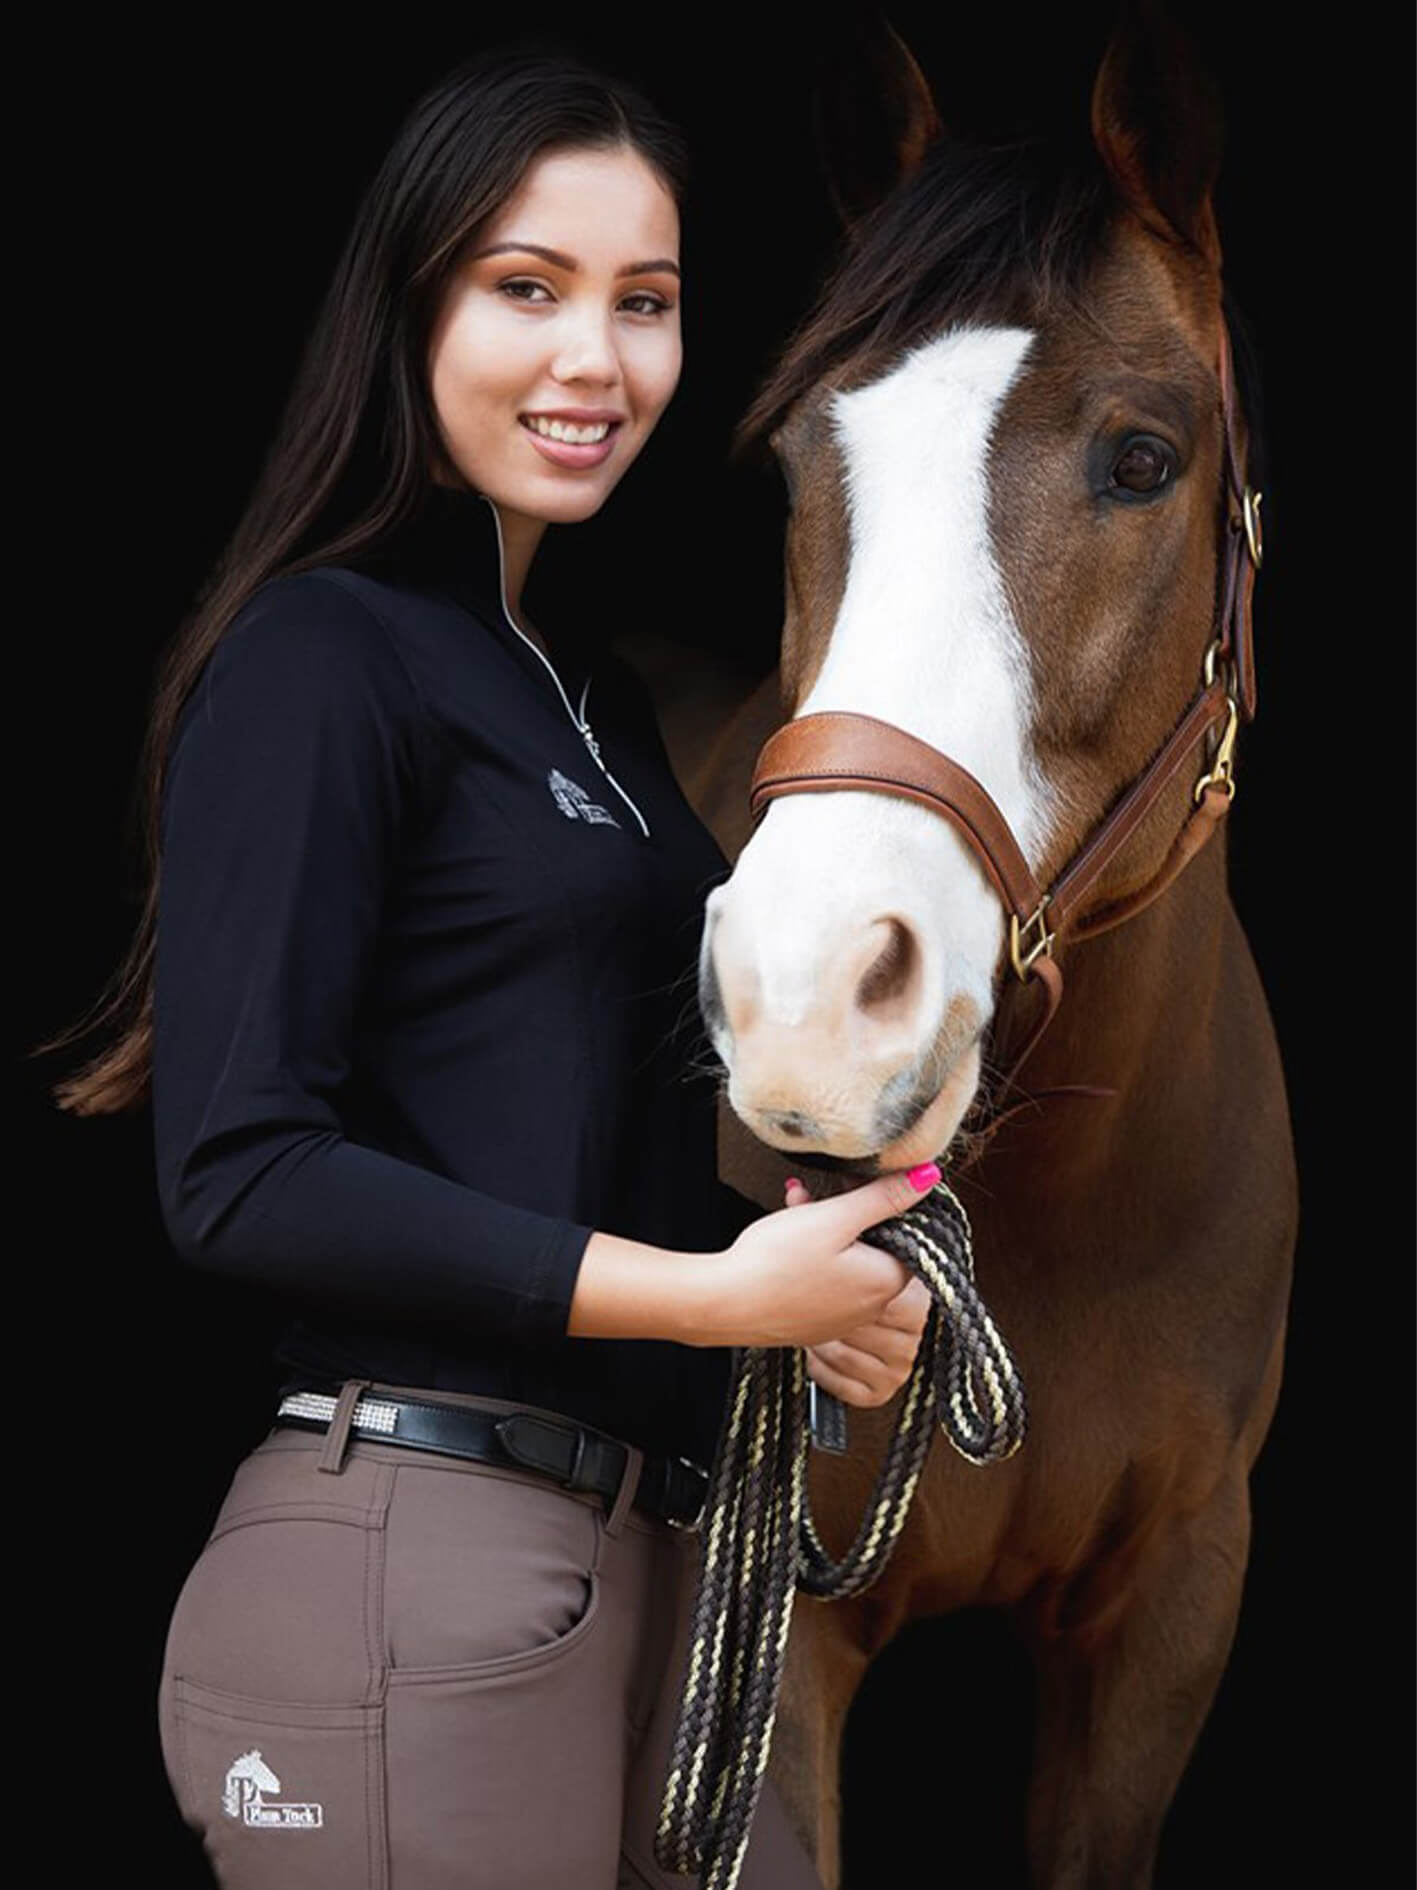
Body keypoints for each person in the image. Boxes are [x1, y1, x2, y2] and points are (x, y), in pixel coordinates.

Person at [44, 41, 935, 1890]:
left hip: (641, 1561)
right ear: (410, 303)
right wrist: (709, 1301)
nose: (593, 358)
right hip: (413, 1545)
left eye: (644, 301)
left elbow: (564, 1132)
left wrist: (814, 1284)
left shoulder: (587, 697)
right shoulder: (322, 658)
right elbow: (240, 1170)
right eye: (527, 288)